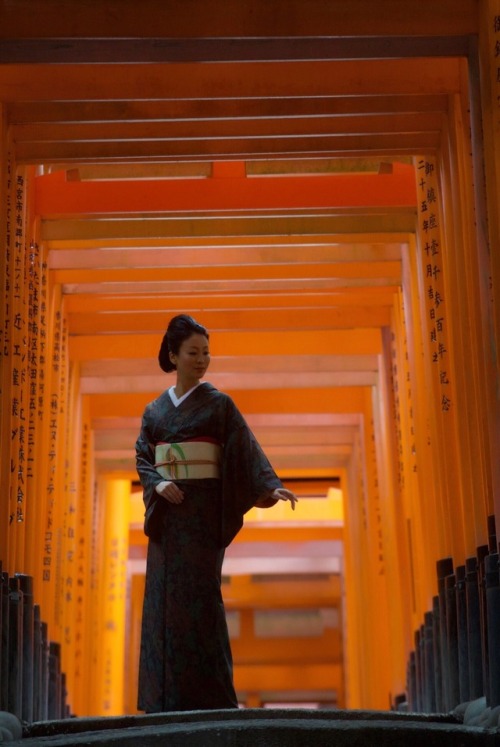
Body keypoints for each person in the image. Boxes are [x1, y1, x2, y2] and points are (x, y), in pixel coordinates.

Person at [135, 314, 297, 713]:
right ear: (173, 356)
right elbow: (142, 456)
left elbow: (243, 448)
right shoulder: (153, 412)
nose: (202, 360)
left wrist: (266, 485)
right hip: (167, 521)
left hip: (202, 519)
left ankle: (213, 697)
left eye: (206, 352)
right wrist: (157, 483)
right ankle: (163, 701)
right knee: (162, 603)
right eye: (193, 352)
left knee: (205, 602)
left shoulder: (220, 405)